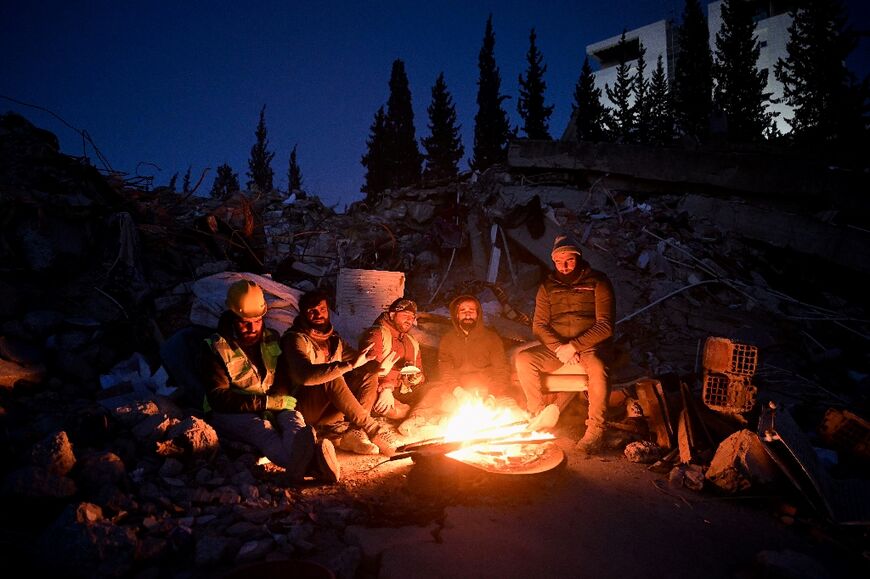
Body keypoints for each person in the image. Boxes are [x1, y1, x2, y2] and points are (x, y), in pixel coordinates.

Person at [199, 279, 340, 483]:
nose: (252, 327)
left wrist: (279, 402)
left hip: (269, 403)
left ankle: (306, 465)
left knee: (295, 422)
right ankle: (316, 464)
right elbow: (218, 398)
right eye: (244, 322)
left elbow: (281, 377)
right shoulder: (214, 347)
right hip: (229, 412)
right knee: (263, 432)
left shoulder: (271, 338)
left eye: (257, 321)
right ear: (232, 317)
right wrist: (264, 404)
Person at [515, 234, 615, 454]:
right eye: (559, 261)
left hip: (589, 347)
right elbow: (539, 325)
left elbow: (606, 326)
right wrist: (559, 348)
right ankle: (539, 415)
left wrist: (575, 346)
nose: (564, 266)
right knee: (524, 359)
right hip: (558, 348)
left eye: (569, 260)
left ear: (578, 258)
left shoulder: (598, 282)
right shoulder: (547, 286)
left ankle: (596, 430)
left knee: (598, 368)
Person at [277, 289, 399, 457]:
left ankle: (354, 433)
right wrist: (348, 365)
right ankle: (372, 429)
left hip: (327, 410)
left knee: (367, 375)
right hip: (302, 407)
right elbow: (304, 376)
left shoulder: (334, 339)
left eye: (322, 309)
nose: (318, 314)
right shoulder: (295, 339)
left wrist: (377, 367)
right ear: (303, 314)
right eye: (312, 311)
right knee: (332, 376)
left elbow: (360, 361)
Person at [357, 297, 426, 425]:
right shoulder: (377, 334)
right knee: (392, 409)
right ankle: (415, 415)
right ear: (392, 315)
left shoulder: (412, 341)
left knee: (437, 390)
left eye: (412, 317)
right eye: (405, 315)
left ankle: (414, 414)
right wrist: (386, 388)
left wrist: (416, 378)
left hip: (404, 390)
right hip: (380, 390)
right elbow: (369, 370)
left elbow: (420, 373)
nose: (409, 320)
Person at [437, 294, 511, 398]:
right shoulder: (447, 340)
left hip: (488, 390)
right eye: (463, 311)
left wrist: (492, 395)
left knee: (509, 408)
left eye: (471, 310)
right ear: (457, 315)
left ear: (478, 314)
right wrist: (458, 392)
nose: (467, 315)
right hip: (458, 391)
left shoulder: (492, 338)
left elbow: (502, 370)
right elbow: (445, 370)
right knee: (435, 402)